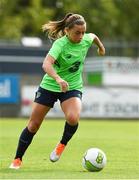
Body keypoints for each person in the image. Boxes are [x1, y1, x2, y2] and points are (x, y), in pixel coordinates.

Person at [9, 13, 105, 169]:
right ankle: (17, 159)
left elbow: (93, 36)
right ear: (67, 31)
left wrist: (101, 47)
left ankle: (62, 145)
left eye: (83, 32)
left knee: (73, 118)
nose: (81, 36)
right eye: (77, 33)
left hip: (72, 86)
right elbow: (46, 64)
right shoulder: (60, 44)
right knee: (33, 125)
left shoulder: (86, 39)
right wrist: (58, 79)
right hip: (50, 86)